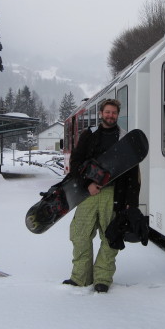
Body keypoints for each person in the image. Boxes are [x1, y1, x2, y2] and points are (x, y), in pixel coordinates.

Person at [63, 98, 141, 293]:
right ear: (100, 114)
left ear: (118, 115)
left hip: (114, 195)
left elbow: (133, 175)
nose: (110, 116)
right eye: (107, 112)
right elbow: (75, 163)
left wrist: (131, 203)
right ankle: (80, 277)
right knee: (80, 235)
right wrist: (86, 184)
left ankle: (102, 279)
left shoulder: (124, 139)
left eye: (113, 113)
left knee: (111, 237)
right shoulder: (89, 136)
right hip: (88, 194)